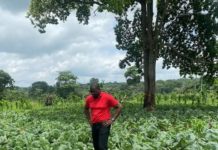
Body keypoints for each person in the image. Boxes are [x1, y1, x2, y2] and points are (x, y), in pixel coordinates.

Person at [84, 83, 122, 150]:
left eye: (95, 93)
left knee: (102, 147)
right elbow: (86, 109)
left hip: (104, 124)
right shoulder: (89, 98)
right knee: (96, 146)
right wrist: (89, 120)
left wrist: (112, 119)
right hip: (94, 124)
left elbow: (119, 107)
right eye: (92, 93)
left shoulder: (107, 97)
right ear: (90, 92)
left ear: (99, 90)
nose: (94, 95)